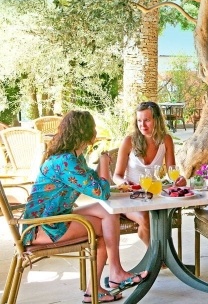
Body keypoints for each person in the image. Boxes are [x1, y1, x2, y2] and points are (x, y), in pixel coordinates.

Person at [22, 110, 148, 303]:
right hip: (41, 227)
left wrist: (102, 165)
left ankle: (105, 281)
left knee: (107, 213)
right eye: (93, 127)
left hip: (56, 216)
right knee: (103, 227)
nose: (95, 131)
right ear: (85, 131)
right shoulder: (66, 162)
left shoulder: (75, 157)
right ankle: (112, 276)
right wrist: (104, 161)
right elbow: (101, 192)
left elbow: (94, 182)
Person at [113, 101, 176, 247]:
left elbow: (172, 171)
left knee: (163, 217)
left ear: (157, 120)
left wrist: (178, 179)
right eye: (139, 121)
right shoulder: (129, 141)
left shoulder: (166, 140)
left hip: (153, 195)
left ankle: (160, 253)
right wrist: (122, 183)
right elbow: (116, 175)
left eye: (147, 120)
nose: (142, 125)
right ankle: (155, 254)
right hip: (131, 196)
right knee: (146, 218)